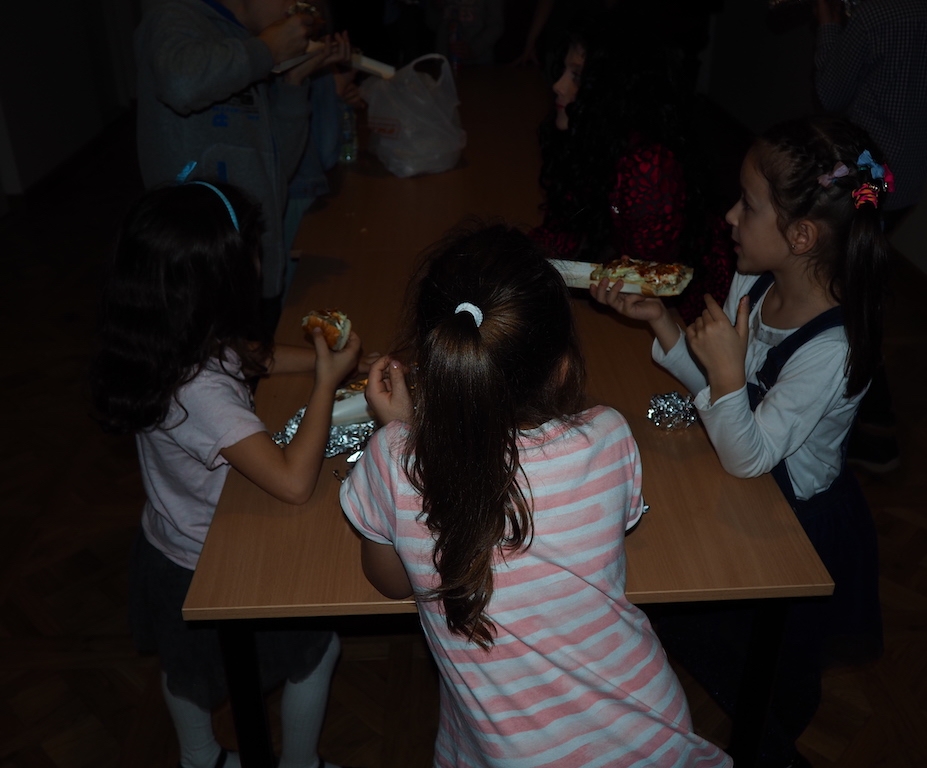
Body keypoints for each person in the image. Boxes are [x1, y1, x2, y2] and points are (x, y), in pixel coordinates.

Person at [338, 223, 733, 768]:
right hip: (655, 734)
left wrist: (402, 436)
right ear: (563, 366)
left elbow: (390, 582)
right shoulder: (608, 435)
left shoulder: (393, 458)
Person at [591, 116, 887, 768]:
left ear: (801, 235)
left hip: (796, 520)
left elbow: (748, 451)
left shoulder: (834, 347)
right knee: (695, 611)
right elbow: (727, 398)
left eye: (748, 206)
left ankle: (773, 744)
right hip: (745, 480)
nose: (729, 216)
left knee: (779, 665)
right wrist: (665, 323)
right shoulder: (755, 281)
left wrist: (726, 374)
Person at [90, 183, 362, 768]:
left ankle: (199, 757)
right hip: (208, 564)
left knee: (183, 671)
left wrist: (342, 363)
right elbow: (293, 483)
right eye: (252, 252)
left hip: (172, 542)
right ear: (220, 280)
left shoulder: (171, 338)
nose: (260, 261)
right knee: (314, 653)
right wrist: (325, 383)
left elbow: (258, 357)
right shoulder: (200, 391)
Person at [812, 0, 927, 472]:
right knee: (851, 286)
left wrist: (828, 20)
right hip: (907, 180)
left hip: (866, 176)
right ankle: (866, 423)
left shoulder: (879, 14)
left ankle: (876, 430)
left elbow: (830, 92)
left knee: (845, 296)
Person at [134, 0, 351, 332]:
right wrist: (266, 50)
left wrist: (294, 82)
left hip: (253, 269)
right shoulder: (173, 16)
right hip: (200, 276)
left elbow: (277, 169)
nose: (297, 12)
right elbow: (180, 84)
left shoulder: (245, 44)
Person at [531, 8, 735, 324]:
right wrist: (521, 252)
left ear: (609, 91)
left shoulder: (647, 166)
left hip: (689, 320)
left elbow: (649, 279)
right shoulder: (588, 140)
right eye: (563, 71)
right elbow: (569, 229)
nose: (558, 85)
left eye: (577, 76)